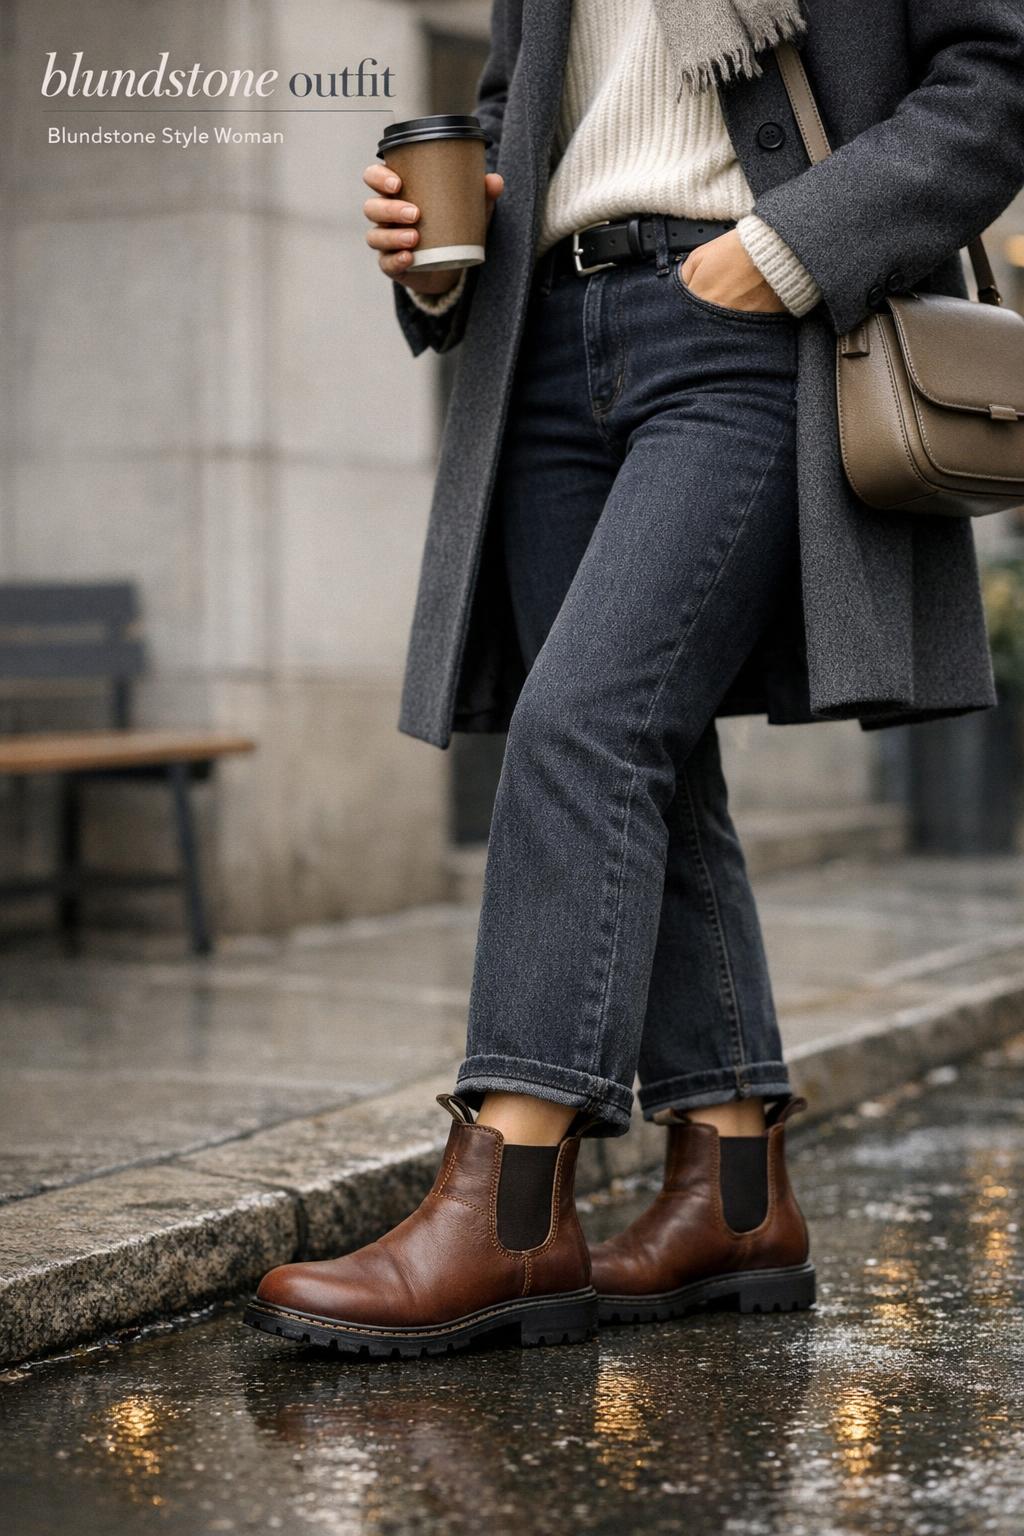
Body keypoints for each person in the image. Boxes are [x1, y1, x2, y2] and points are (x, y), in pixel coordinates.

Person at [246, 0, 1024, 1356]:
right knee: (648, 765)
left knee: (583, 725)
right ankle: (731, 1188)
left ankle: (512, 1195)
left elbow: (997, 75)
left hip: (741, 322)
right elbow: (518, 110)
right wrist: (434, 251)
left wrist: (785, 248)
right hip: (544, 336)